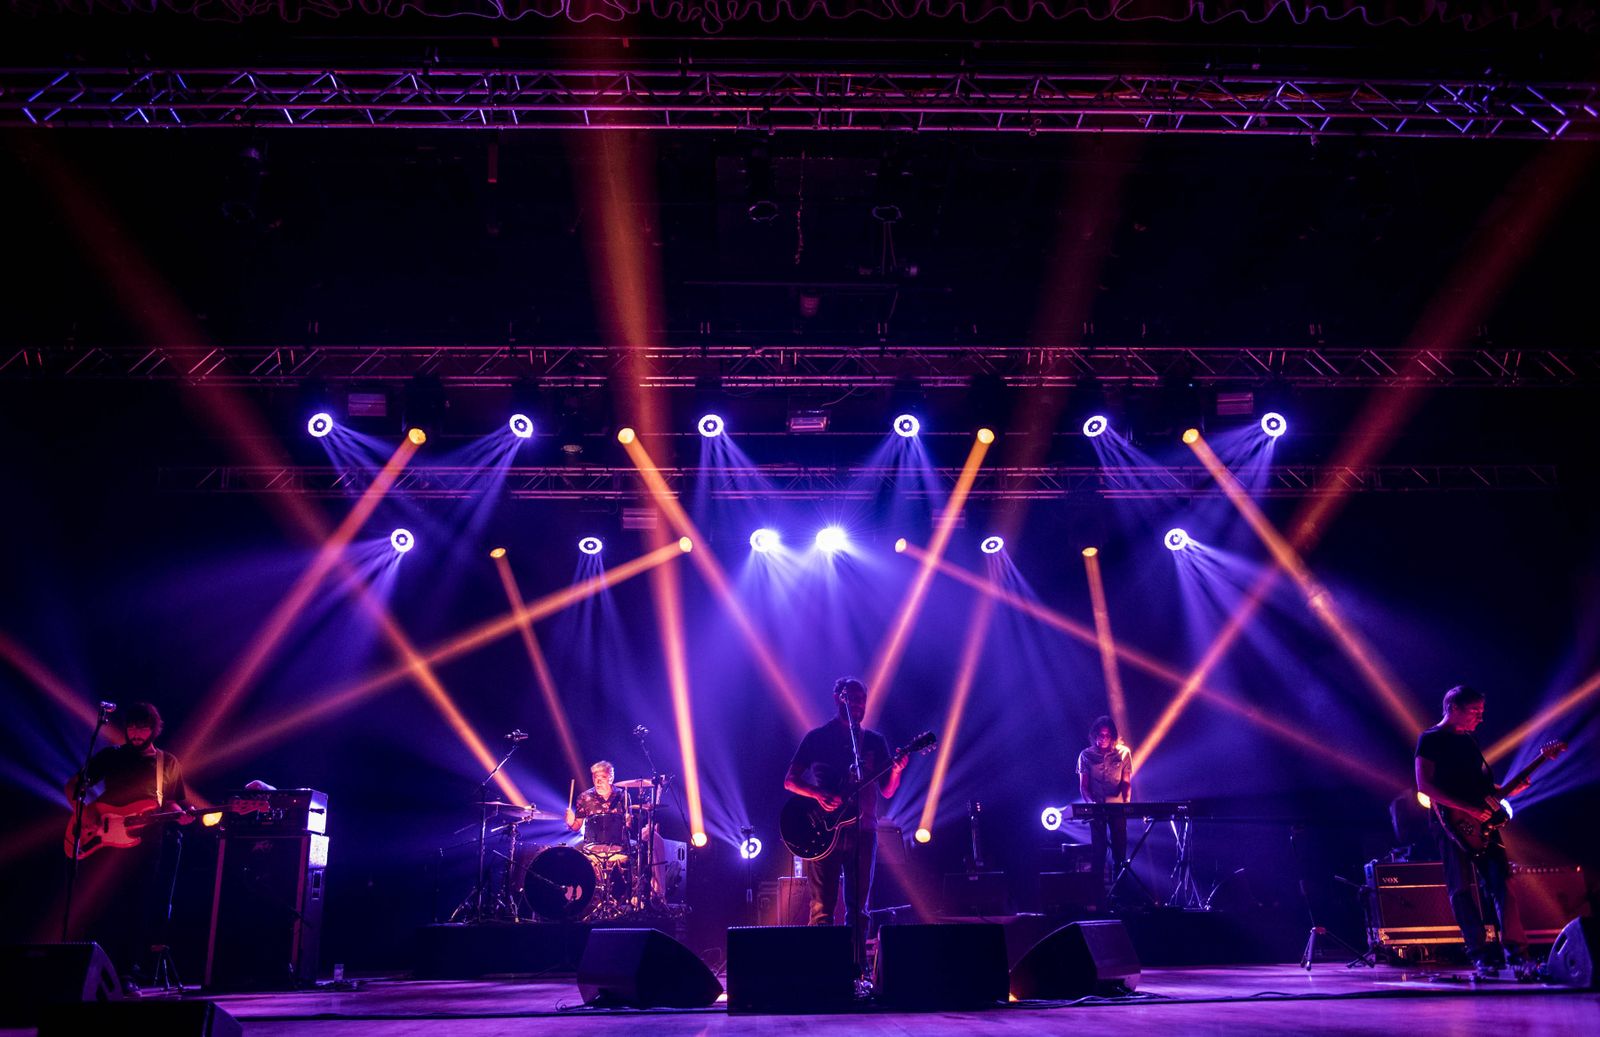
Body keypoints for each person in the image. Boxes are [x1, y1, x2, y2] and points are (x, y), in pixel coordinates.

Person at [64, 702, 194, 990]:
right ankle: (92, 971)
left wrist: (183, 815)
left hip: (148, 844)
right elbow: (74, 785)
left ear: (154, 729)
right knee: (103, 904)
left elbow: (170, 801)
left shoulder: (166, 762)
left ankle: (127, 974)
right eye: (132, 726)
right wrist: (84, 813)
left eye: (142, 727)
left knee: (139, 906)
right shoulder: (111, 756)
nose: (136, 732)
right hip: (106, 841)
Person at [784, 677, 907, 973]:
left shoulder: (874, 741)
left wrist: (898, 769)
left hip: (863, 830)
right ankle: (822, 968)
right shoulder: (817, 737)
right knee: (822, 907)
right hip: (823, 832)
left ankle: (856, 968)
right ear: (838, 699)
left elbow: (887, 790)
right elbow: (790, 780)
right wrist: (818, 794)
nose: (856, 705)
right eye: (850, 698)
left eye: (861, 700)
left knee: (858, 908)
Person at [1414, 685, 1531, 976]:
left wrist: (1507, 790)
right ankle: (1480, 954)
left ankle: (1517, 954)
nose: (1480, 717)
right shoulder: (1430, 739)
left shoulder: (1470, 741)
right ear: (1453, 708)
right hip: (1450, 824)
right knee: (1461, 888)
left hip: (1484, 822)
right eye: (1474, 711)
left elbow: (1481, 786)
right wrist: (1466, 809)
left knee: (1502, 883)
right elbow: (1425, 786)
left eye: (1481, 711)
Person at [1077, 715, 1132, 898]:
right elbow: (1083, 786)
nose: (1103, 739)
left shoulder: (1124, 753)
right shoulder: (1086, 755)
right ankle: (1097, 896)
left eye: (1107, 735)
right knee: (1098, 852)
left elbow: (1126, 783)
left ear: (1113, 736)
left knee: (1120, 853)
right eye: (1100, 735)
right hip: (1097, 809)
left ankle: (1120, 895)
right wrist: (1092, 805)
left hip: (1117, 808)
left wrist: (1127, 804)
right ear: (1094, 736)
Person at [566, 760, 630, 849]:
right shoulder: (584, 797)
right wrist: (571, 823)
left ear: (610, 778)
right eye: (596, 777)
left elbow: (629, 825)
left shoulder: (623, 795)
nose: (598, 782)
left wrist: (628, 821)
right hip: (592, 848)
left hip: (619, 847)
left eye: (603, 777)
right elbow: (576, 827)